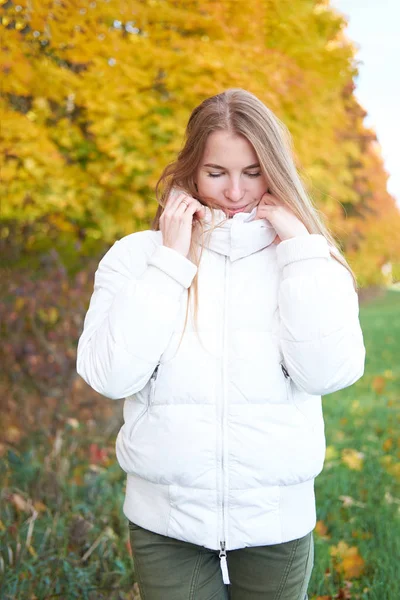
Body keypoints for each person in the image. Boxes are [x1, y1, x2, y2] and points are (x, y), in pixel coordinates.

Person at [76, 88, 366, 599]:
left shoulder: (311, 259)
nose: (235, 191)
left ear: (275, 170)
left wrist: (298, 252)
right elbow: (109, 375)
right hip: (166, 524)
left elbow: (326, 373)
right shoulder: (135, 256)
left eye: (252, 172)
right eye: (216, 173)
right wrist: (170, 262)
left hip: (276, 523)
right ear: (190, 170)